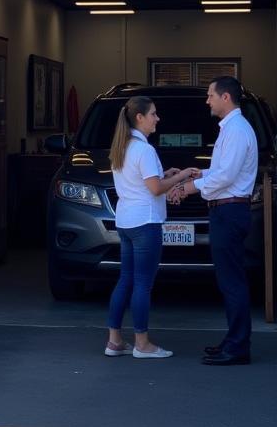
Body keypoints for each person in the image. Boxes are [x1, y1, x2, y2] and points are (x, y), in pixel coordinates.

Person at [173, 76, 258, 366]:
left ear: (226, 97)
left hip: (230, 212)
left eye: (210, 95)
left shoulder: (236, 130)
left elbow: (227, 177)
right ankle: (233, 340)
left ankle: (237, 348)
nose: (207, 100)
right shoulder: (231, 129)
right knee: (228, 280)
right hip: (226, 211)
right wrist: (200, 174)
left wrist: (188, 188)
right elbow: (221, 171)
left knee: (232, 282)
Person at [104, 95, 192, 360]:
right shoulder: (144, 150)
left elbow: (143, 181)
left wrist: (166, 174)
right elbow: (154, 189)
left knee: (126, 280)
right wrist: (183, 175)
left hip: (126, 221)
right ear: (139, 118)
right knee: (143, 284)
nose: (157, 118)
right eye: (153, 114)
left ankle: (115, 341)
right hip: (146, 222)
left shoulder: (121, 147)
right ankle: (142, 344)